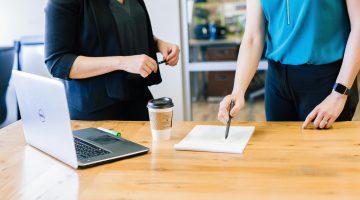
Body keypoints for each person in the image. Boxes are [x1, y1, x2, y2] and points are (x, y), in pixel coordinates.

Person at [218, 0, 360, 129]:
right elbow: (253, 36)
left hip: (328, 81)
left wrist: (339, 95)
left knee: (323, 155)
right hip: (277, 81)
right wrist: (238, 90)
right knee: (280, 154)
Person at [45, 0, 180, 121]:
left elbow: (121, 28)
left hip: (139, 99)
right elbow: (58, 62)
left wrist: (157, 44)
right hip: (96, 110)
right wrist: (122, 62)